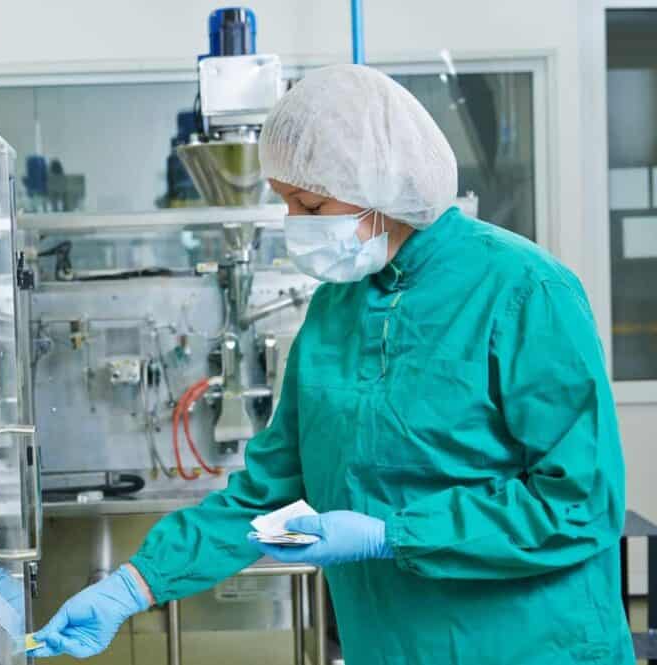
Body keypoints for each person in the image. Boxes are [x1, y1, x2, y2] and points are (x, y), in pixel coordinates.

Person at [33, 64, 635, 663]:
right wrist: (130, 587)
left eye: (312, 205)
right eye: (287, 204)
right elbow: (266, 491)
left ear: (383, 184)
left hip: (530, 644)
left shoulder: (525, 291)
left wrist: (392, 535)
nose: (295, 225)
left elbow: (578, 503)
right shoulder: (334, 307)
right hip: (391, 644)